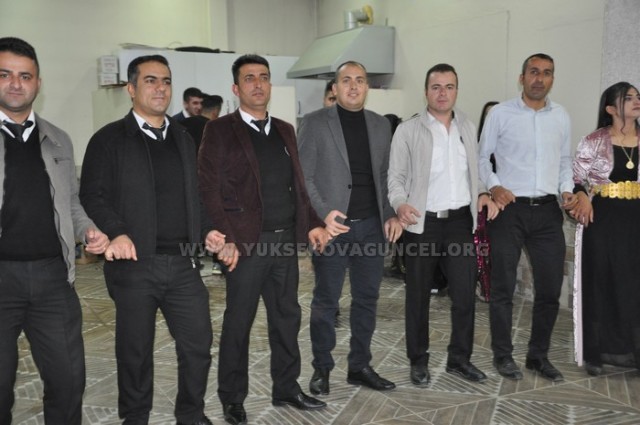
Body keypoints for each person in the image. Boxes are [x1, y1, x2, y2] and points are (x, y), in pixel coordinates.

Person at [80, 54, 224, 425]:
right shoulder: (109, 139)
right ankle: (135, 417)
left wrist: (207, 230)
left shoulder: (183, 138)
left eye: (166, 81)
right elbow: (92, 195)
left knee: (198, 345)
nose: (160, 88)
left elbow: (195, 196)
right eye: (150, 80)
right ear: (131, 89)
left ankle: (191, 413)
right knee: (135, 352)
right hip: (134, 266)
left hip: (183, 266)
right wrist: (117, 231)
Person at [198, 54, 329, 425]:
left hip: (284, 242)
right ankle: (232, 398)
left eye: (264, 77)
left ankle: (286, 387)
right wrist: (226, 238)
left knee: (287, 318)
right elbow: (208, 188)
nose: (258, 84)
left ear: (270, 84)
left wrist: (312, 224)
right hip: (245, 246)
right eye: (249, 78)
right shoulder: (220, 130)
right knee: (238, 322)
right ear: (236, 88)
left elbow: (298, 185)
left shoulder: (285, 130)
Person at [0, 37, 109, 425]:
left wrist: (88, 230)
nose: (16, 84)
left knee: (68, 381)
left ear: (38, 83)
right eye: (5, 74)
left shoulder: (59, 139)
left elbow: (72, 201)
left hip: (53, 279)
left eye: (25, 76)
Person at [388, 63, 498, 387]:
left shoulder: (467, 126)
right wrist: (400, 203)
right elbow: (395, 177)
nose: (442, 93)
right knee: (418, 297)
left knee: (464, 295)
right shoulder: (408, 130)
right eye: (436, 87)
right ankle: (418, 361)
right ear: (426, 91)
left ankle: (459, 359)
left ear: (456, 91)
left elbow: (472, 174)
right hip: (422, 224)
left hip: (460, 223)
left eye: (449, 87)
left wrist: (483, 193)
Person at [297, 61, 403, 396]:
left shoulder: (380, 125)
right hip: (332, 230)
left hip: (371, 227)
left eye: (359, 80)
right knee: (326, 301)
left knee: (367, 299)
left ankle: (359, 366)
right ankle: (322, 368)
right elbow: (304, 177)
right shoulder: (315, 123)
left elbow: (384, 176)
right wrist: (323, 215)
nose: (353, 86)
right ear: (335, 87)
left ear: (367, 86)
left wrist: (390, 214)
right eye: (346, 80)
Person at [478, 53, 577, 383]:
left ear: (552, 79)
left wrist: (566, 189)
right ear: (521, 78)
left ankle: (538, 356)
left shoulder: (561, 116)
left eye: (546, 73)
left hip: (548, 212)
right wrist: (495, 186)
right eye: (533, 72)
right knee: (503, 287)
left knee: (549, 289)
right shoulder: (500, 113)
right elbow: (481, 158)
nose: (539, 78)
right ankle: (503, 356)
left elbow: (564, 161)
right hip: (509, 210)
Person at [570, 82, 640, 376]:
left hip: (635, 221)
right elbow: (575, 179)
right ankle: (595, 353)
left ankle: (633, 352)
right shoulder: (594, 141)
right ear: (611, 108)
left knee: (633, 286)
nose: (636, 101)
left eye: (637, 96)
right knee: (599, 283)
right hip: (602, 220)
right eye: (628, 97)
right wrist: (582, 195)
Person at [475, 100, 499, 303]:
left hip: (503, 204)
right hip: (483, 203)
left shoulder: (509, 146)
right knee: (482, 246)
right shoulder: (476, 146)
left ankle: (496, 286)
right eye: (489, 114)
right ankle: (484, 285)